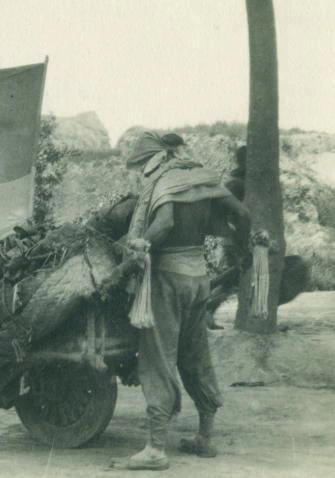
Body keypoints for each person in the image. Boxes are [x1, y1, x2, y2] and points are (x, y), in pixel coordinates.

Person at [113, 131, 250, 471]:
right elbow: (242, 217)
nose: (139, 172)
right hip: (198, 280)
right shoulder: (200, 176)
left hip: (168, 280)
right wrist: (245, 252)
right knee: (195, 353)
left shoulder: (162, 183)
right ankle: (205, 437)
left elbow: (165, 223)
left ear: (150, 161)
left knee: (158, 357)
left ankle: (156, 449)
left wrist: (140, 245)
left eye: (139, 165)